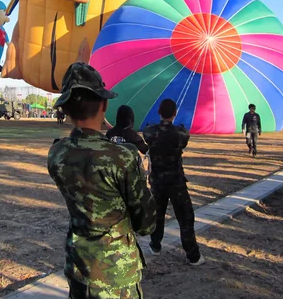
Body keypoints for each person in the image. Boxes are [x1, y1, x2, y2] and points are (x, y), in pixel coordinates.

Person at [48, 62, 156, 298]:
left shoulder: (57, 154)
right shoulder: (122, 156)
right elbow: (146, 224)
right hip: (116, 275)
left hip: (78, 267)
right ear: (104, 104)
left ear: (65, 110)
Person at [143, 99, 204, 266]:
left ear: (159, 112)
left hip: (157, 181)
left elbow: (147, 137)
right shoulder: (181, 133)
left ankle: (155, 245)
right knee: (185, 217)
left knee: (158, 214)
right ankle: (193, 255)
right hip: (176, 181)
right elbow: (184, 139)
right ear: (174, 113)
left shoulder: (149, 132)